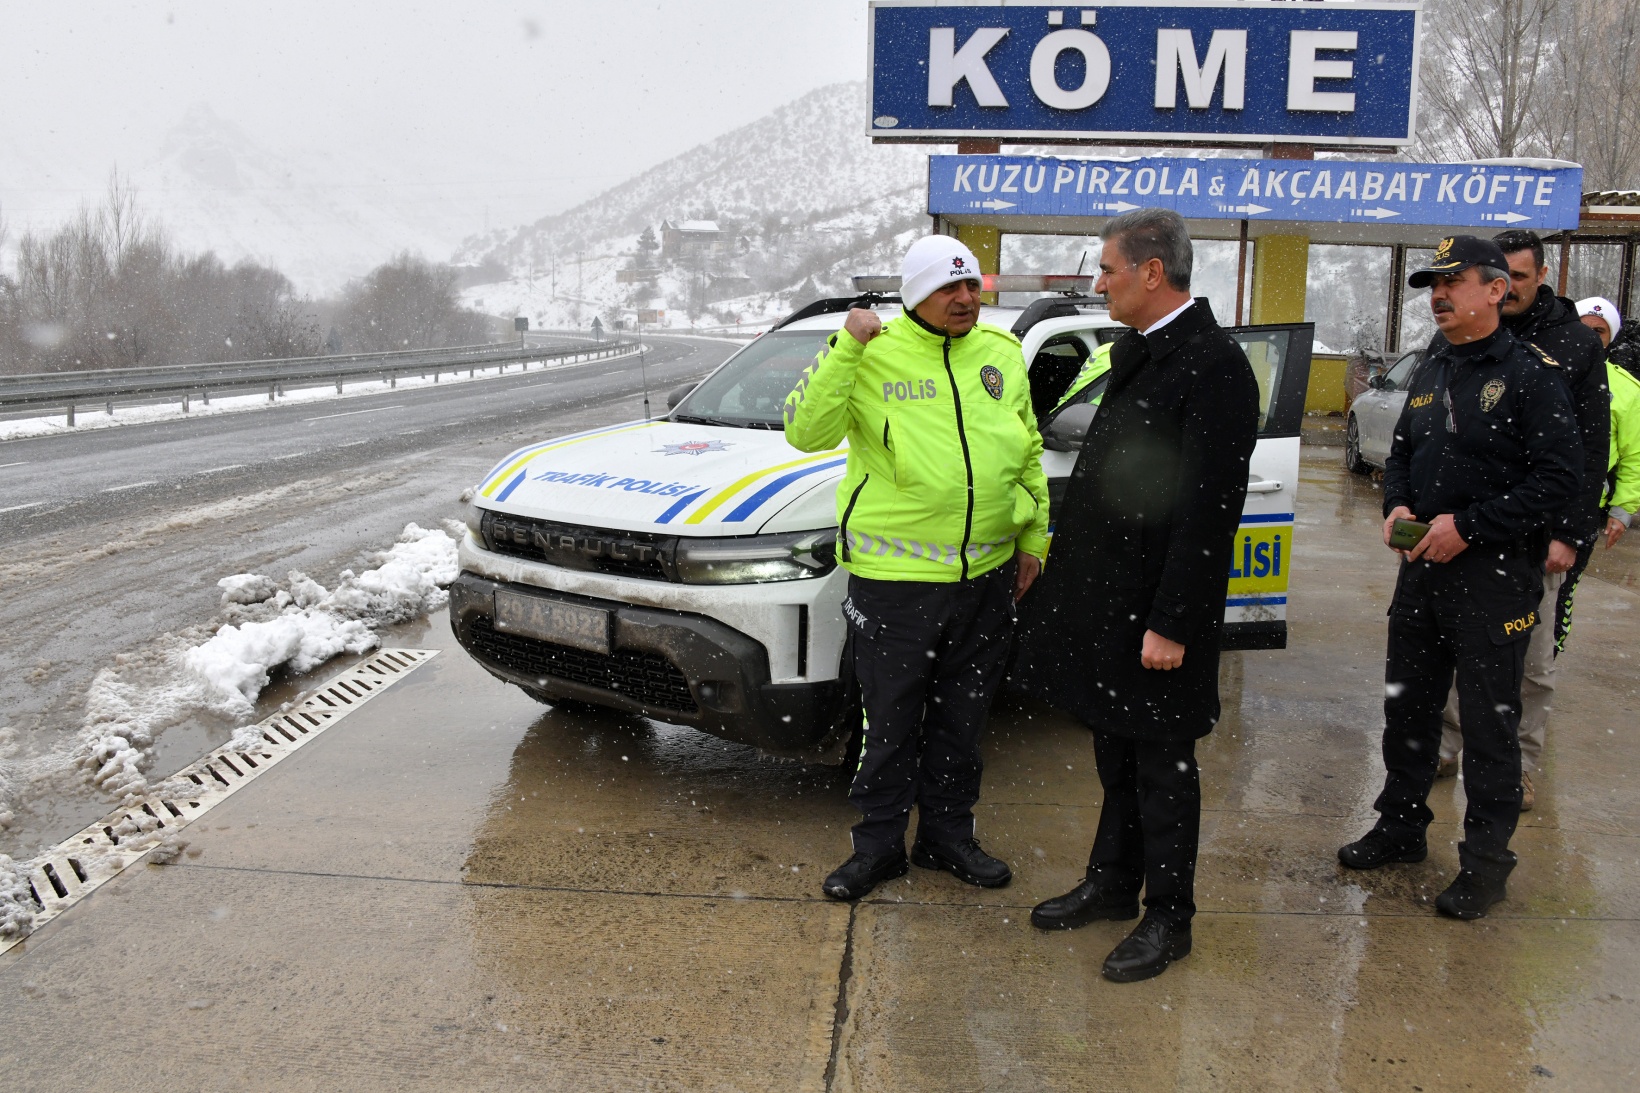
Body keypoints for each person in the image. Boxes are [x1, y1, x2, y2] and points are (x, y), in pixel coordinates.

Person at [1013, 207, 1259, 982]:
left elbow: (1208, 513)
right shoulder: (1140, 354)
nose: (1098, 282)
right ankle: (1112, 884)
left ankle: (1170, 915)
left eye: (1107, 269)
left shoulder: (1214, 365)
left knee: (1163, 767)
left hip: (1157, 616)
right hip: (1110, 607)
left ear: (1153, 272)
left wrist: (1173, 622)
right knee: (1116, 753)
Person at [783, 235, 1051, 901]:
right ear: (913, 294)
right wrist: (847, 346)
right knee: (889, 722)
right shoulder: (872, 353)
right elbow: (805, 430)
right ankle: (877, 847)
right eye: (945, 287)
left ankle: (947, 836)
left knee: (963, 719)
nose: (964, 299)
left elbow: (1027, 449)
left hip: (985, 580)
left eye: (971, 286)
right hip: (896, 586)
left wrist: (1033, 537)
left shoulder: (1001, 353)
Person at [1339, 236, 1581, 920]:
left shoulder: (1533, 374)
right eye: (1432, 285)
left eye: (1453, 282)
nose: (1438, 296)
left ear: (1496, 290)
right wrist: (1397, 508)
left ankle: (1485, 863)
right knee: (1408, 711)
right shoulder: (1437, 365)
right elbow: (1405, 454)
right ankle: (1401, 826)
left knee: (1487, 729)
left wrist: (1469, 527)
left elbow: (1560, 480)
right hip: (1421, 578)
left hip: (1493, 582)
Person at [1432, 231, 1609, 811]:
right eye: (1497, 276)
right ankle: (1447, 746)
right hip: (1465, 534)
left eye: (1520, 278)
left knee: (1530, 662)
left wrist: (1571, 534)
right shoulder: (1457, 337)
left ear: (1540, 276)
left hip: (1536, 537)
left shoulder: (1573, 346)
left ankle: (1522, 765)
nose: (1507, 289)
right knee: (1458, 650)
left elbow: (1589, 447)